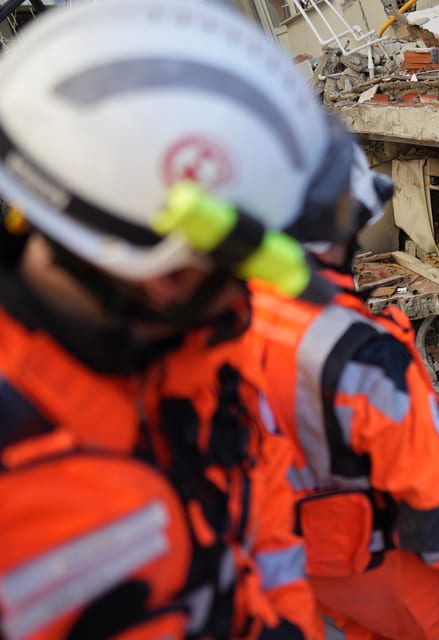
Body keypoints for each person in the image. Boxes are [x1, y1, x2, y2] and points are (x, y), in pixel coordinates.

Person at [0, 1, 357, 637]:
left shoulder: (196, 358)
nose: (255, 295)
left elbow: (261, 514)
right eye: (250, 267)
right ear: (167, 277)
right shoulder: (23, 489)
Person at [247, 130, 439, 640]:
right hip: (378, 561)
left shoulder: (238, 316)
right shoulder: (363, 355)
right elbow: (424, 496)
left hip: (288, 552)